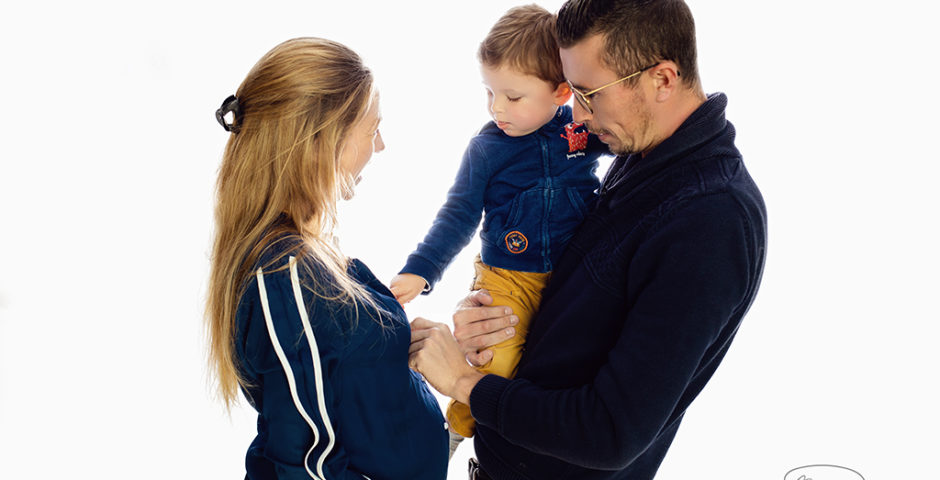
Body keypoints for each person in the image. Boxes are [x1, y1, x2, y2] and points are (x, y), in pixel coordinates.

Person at [409, 0, 768, 479]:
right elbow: (575, 304)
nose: (574, 113)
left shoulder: (711, 220)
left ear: (662, 79)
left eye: (588, 93)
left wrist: (463, 381)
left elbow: (609, 432)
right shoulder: (639, 150)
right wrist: (492, 319)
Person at [205, 37, 447, 479]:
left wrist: (398, 355)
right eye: (372, 130)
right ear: (323, 140)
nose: (381, 146)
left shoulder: (307, 258)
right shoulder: (286, 277)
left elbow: (340, 384)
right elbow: (301, 462)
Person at [388, 4, 608, 458]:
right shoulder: (487, 149)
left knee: (558, 368)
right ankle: (454, 430)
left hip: (569, 276)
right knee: (500, 362)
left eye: (512, 96)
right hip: (507, 278)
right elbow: (458, 214)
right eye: (489, 92)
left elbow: (630, 141)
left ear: (561, 92)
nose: (496, 108)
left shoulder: (581, 132)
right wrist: (421, 269)